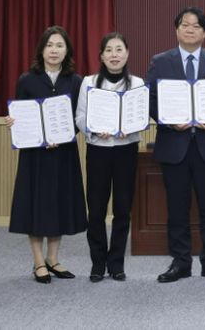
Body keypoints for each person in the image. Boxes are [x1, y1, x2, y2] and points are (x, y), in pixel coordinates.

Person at [146, 7, 205, 283]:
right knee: (177, 209)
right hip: (174, 145)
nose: (190, 29)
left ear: (204, 32)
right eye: (185, 25)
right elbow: (150, 100)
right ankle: (180, 262)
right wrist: (169, 121)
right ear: (176, 30)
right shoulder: (160, 61)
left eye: (196, 26)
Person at [6, 26, 87, 284]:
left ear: (67, 51)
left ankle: (53, 259)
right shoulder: (26, 80)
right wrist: (12, 121)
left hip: (63, 153)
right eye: (49, 45)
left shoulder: (76, 81)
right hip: (35, 156)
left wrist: (62, 135)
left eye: (59, 45)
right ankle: (38, 261)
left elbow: (78, 118)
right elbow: (20, 114)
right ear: (41, 50)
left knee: (58, 204)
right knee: (36, 204)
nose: (54, 50)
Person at [75, 32, 145, 282]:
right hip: (98, 150)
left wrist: (132, 126)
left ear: (127, 54)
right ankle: (98, 263)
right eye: (109, 50)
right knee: (96, 209)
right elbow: (80, 116)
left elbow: (142, 116)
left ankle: (116, 264)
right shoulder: (89, 82)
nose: (114, 55)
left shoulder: (137, 83)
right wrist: (94, 129)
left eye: (119, 50)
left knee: (123, 209)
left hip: (126, 149)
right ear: (101, 56)